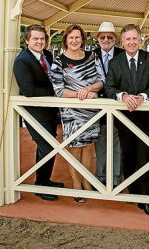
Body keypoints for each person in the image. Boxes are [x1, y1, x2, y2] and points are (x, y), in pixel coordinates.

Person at [105, 24, 149, 217]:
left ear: (140, 39)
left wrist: (143, 97)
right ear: (122, 41)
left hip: (146, 118)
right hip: (124, 118)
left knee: (143, 157)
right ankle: (133, 191)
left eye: (134, 38)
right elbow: (109, 87)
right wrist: (122, 96)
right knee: (127, 155)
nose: (131, 42)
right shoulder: (115, 62)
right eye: (127, 39)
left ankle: (145, 198)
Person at [50, 24, 105, 203]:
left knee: (89, 148)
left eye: (77, 37)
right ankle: (76, 184)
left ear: (82, 39)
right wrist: (80, 94)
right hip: (71, 112)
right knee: (74, 148)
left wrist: (88, 89)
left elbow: (101, 81)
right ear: (66, 40)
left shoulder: (92, 56)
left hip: (90, 110)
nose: (74, 41)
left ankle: (87, 183)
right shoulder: (59, 61)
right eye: (71, 37)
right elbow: (58, 90)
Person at [13, 24, 63, 201]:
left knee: (49, 147)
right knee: (46, 146)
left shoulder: (47, 55)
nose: (39, 41)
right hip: (35, 113)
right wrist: (56, 93)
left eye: (42, 38)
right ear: (27, 40)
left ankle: (45, 181)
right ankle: (40, 186)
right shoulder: (22, 60)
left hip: (50, 112)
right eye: (35, 38)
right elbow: (29, 90)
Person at [92, 21, 123, 187]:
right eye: (102, 36)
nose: (106, 39)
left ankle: (116, 178)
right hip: (97, 107)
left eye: (109, 37)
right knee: (100, 144)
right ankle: (100, 178)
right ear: (98, 38)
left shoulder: (123, 54)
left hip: (117, 106)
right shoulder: (90, 55)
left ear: (115, 38)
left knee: (116, 144)